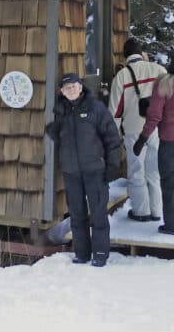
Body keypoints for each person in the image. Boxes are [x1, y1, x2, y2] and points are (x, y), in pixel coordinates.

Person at [46, 72, 121, 267]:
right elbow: (60, 135)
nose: (71, 90)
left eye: (74, 86)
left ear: (80, 87)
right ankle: (82, 253)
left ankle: (100, 254)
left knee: (98, 213)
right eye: (66, 88)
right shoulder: (61, 110)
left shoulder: (95, 108)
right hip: (72, 172)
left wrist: (113, 165)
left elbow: (112, 138)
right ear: (62, 92)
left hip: (94, 170)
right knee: (77, 214)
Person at [131, 50, 174, 235]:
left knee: (170, 184)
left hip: (169, 142)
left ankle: (173, 225)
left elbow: (154, 116)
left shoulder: (163, 85)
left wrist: (142, 139)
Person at [108, 38, 166, 222]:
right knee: (154, 171)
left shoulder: (122, 76)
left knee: (136, 171)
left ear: (125, 56)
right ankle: (157, 211)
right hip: (157, 127)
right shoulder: (158, 70)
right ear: (142, 54)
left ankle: (141, 212)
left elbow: (115, 110)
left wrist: (112, 135)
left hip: (133, 129)